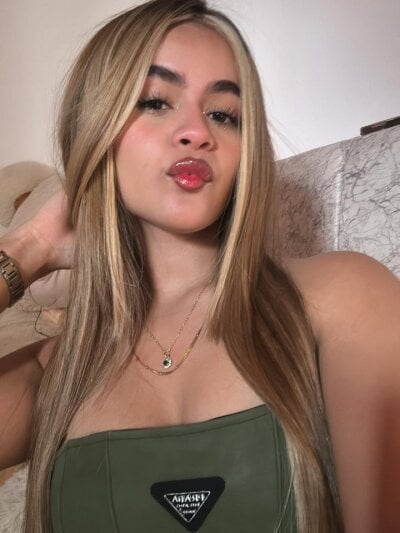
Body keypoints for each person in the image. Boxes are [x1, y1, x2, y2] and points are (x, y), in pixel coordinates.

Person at [0, 0, 399, 531]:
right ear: (94, 130)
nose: (197, 131)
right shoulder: (57, 370)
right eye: (155, 102)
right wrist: (27, 249)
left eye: (222, 114)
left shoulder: (342, 297)